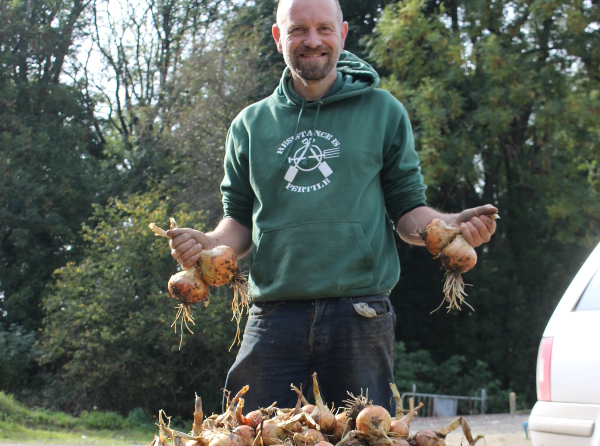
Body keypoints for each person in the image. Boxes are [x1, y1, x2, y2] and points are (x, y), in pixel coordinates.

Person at [167, 0, 497, 413]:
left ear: (342, 34)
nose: (312, 41)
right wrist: (209, 242)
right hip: (273, 314)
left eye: (324, 29)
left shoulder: (383, 111)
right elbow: (239, 220)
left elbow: (409, 213)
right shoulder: (250, 125)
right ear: (278, 37)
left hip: (359, 314)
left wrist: (447, 227)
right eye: (298, 30)